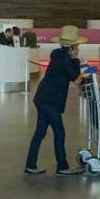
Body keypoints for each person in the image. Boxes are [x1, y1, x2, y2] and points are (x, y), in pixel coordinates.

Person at [24, 25, 88, 175]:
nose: (78, 49)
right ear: (72, 48)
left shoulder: (58, 55)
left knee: (40, 133)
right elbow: (75, 77)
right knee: (59, 133)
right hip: (51, 101)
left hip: (42, 98)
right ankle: (62, 167)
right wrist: (77, 60)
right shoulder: (66, 60)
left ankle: (30, 165)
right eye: (77, 46)